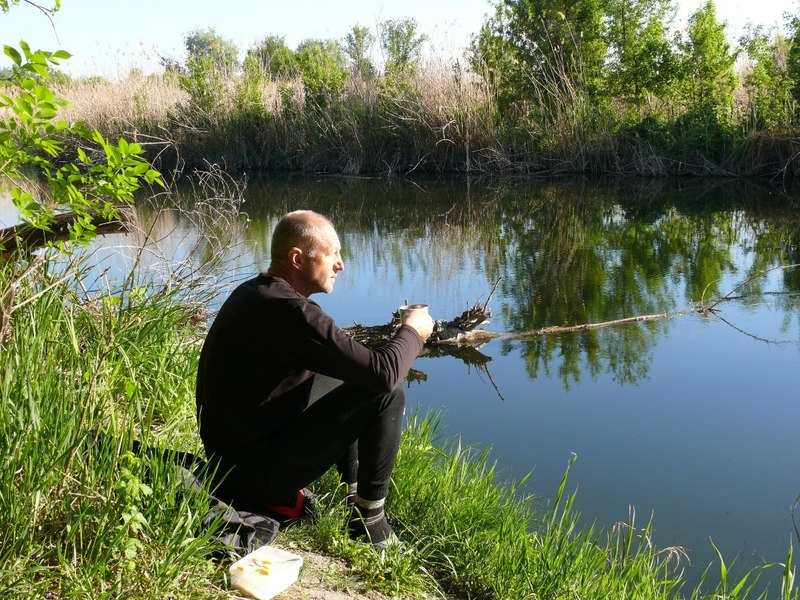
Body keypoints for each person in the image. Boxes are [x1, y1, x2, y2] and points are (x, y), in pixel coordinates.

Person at [195, 210, 434, 547]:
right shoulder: (292, 313)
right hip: (250, 477)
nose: (341, 264)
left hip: (231, 461)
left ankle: (353, 492)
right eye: (332, 254)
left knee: (347, 375)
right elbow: (384, 374)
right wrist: (414, 331)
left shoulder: (257, 292)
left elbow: (357, 365)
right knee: (386, 394)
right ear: (297, 258)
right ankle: (371, 523)